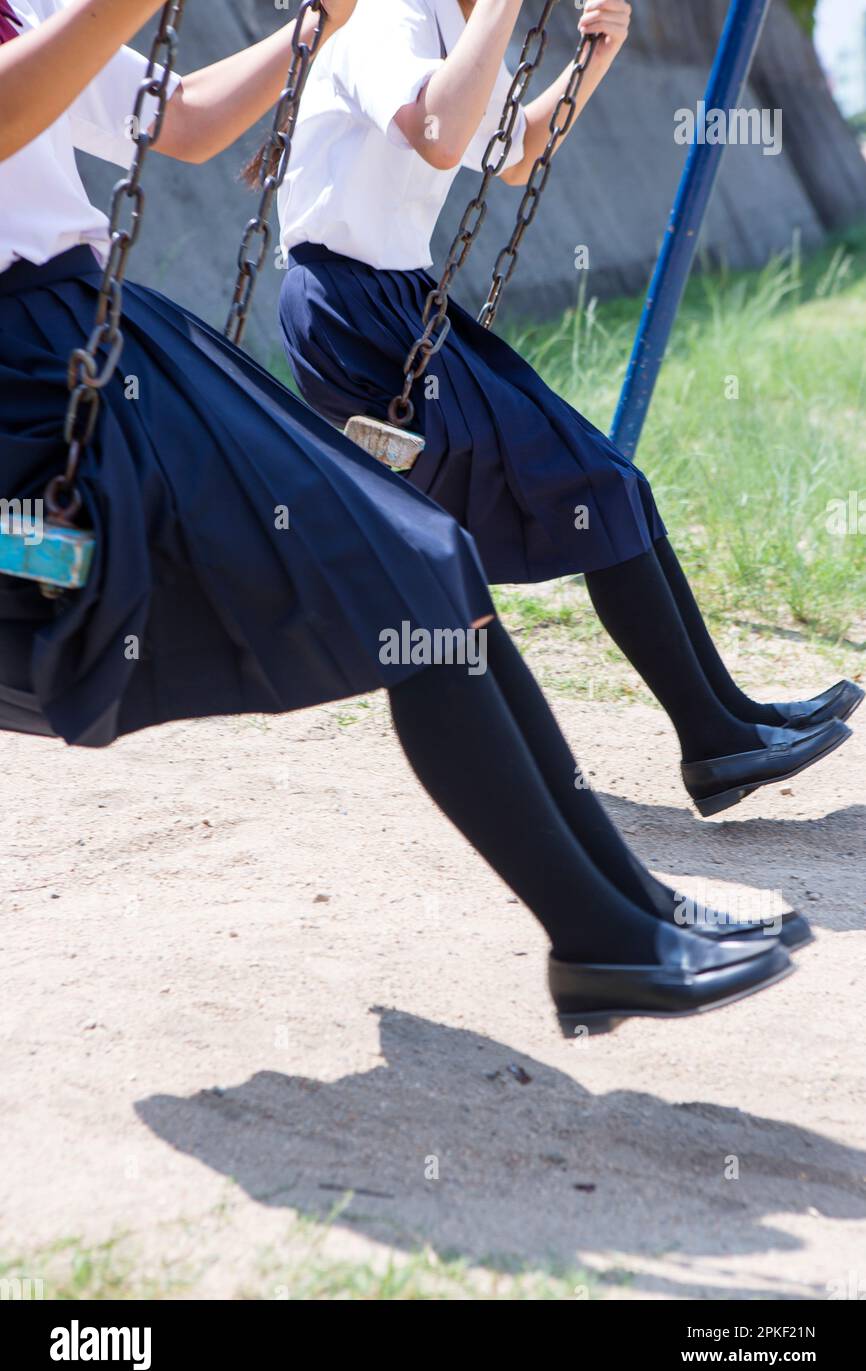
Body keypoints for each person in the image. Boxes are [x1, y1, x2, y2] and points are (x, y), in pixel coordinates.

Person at [0, 0, 803, 1035]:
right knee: (406, 574)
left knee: (435, 557)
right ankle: (602, 936)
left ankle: (623, 905)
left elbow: (187, 120)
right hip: (33, 375)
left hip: (104, 336)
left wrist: (311, 20)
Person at [273, 0, 862, 819]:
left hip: (397, 298)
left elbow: (512, 152)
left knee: (614, 479)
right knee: (586, 482)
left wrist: (598, 53)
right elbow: (442, 135)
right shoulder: (389, 21)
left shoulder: (448, 28)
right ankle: (714, 739)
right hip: (354, 308)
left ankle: (731, 716)